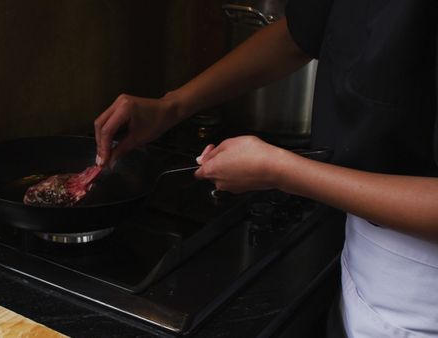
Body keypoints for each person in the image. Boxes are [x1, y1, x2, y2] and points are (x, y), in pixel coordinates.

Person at [94, 1, 438, 337]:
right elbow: (298, 33)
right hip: (363, 263)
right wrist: (172, 106)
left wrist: (283, 172)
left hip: (422, 298)